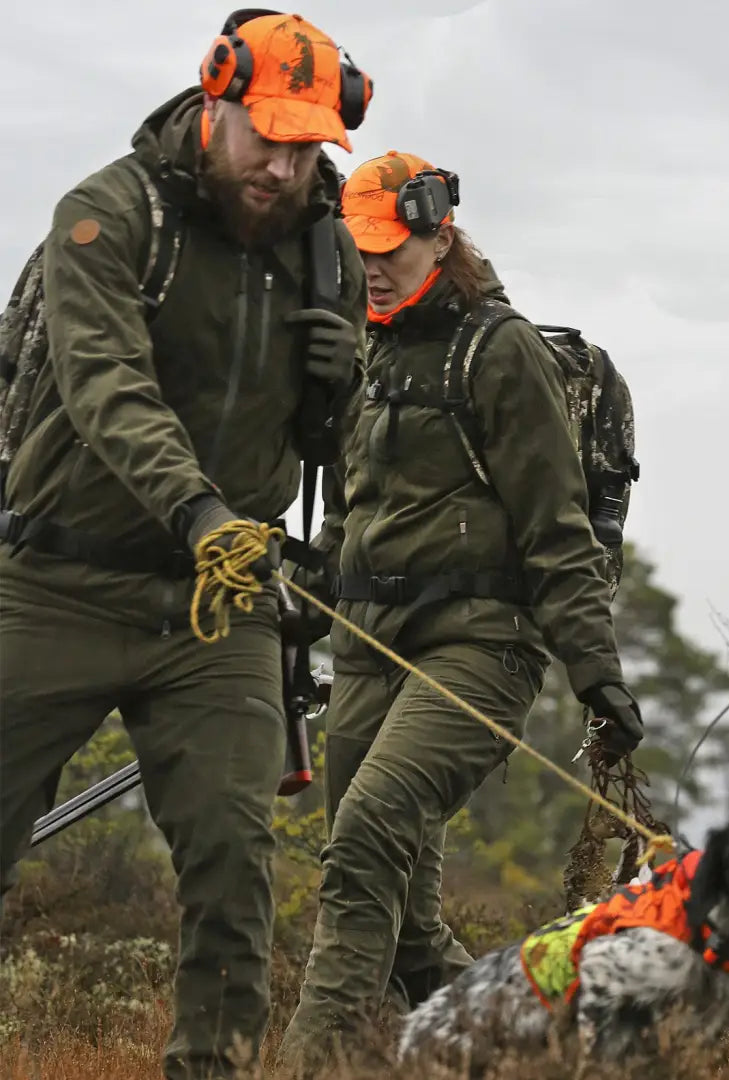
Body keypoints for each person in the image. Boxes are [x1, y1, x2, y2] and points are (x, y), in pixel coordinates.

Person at [0, 11, 370, 1079]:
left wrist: (343, 388)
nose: (285, 166)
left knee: (232, 872)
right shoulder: (107, 217)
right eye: (267, 138)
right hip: (54, 585)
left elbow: (345, 454)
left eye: (307, 145)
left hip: (219, 614)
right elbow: (106, 388)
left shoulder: (326, 249)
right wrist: (201, 512)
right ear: (214, 106)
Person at [274, 150, 645, 1073]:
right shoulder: (363, 344)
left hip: (480, 645)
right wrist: (308, 582)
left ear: (440, 230)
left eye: (392, 244)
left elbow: (558, 532)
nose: (375, 263)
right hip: (370, 650)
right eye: (359, 247)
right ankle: (532, 1049)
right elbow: (355, 505)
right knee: (397, 917)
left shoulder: (499, 349)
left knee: (364, 841)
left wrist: (597, 674)